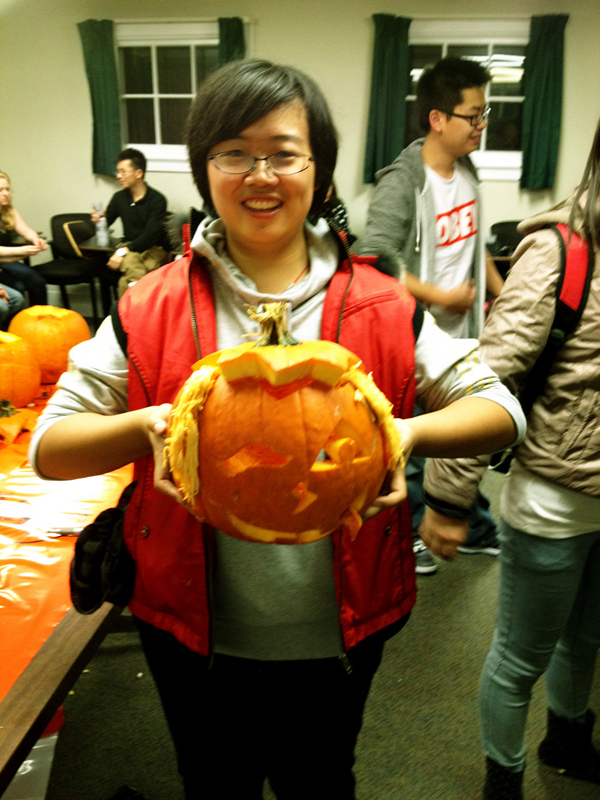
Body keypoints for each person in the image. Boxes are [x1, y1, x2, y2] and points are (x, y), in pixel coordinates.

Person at [30, 60, 525, 800]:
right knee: (211, 783)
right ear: (205, 170)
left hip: (342, 629)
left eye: (284, 153)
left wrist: (405, 436)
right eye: (234, 152)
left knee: (320, 782)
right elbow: (49, 448)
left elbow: (502, 411)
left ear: (317, 169)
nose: (260, 175)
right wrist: (150, 425)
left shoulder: (383, 303)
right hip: (187, 631)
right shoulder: (149, 306)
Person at [419, 117, 600, 800]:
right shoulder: (560, 251)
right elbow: (486, 381)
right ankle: (504, 779)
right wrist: (448, 499)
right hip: (554, 502)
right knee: (522, 657)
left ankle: (568, 740)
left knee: (586, 640)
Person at [357, 57, 506, 573]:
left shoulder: (467, 171)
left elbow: (476, 243)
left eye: (484, 114)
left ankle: (473, 524)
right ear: (437, 118)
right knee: (418, 444)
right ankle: (415, 532)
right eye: (473, 115)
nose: (481, 126)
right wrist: (440, 296)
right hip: (414, 336)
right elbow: (372, 257)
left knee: (464, 436)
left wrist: (503, 293)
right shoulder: (402, 182)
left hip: (464, 334)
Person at [91, 148, 170, 297]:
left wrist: (122, 253)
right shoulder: (119, 198)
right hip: (129, 247)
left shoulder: (157, 199)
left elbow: (151, 235)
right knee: (134, 266)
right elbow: (104, 224)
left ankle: (128, 308)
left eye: (123, 172)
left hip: (154, 248)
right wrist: (98, 221)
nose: (118, 176)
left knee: (127, 278)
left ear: (138, 173)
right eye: (118, 172)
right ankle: (140, 307)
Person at [0, 171, 48, 305]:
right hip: (4, 259)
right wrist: (22, 251)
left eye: (7, 189)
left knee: (37, 281)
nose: (6, 193)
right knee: (18, 287)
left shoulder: (8, 210)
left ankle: (41, 316)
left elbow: (26, 231)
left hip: (5, 260)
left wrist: (35, 240)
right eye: (0, 190)